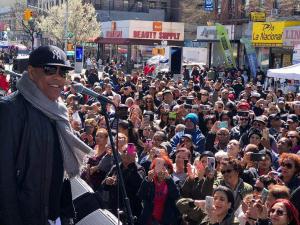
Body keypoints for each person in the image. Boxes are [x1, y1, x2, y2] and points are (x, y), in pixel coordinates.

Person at [0, 45, 92, 225]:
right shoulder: (10, 110)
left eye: (63, 72)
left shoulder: (58, 112)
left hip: (54, 215)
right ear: (32, 72)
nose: (58, 77)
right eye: (50, 70)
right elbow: (4, 178)